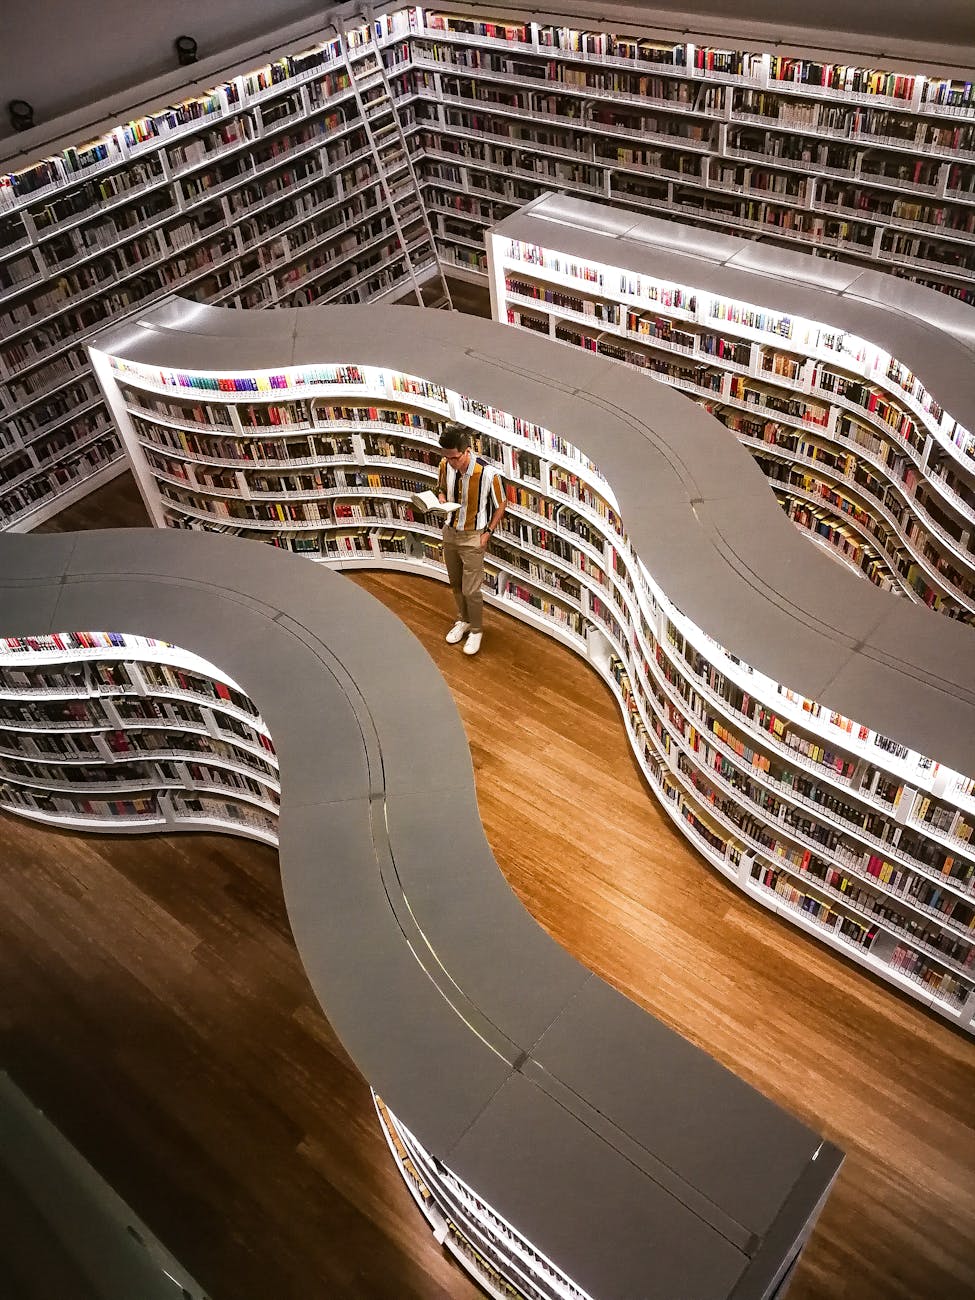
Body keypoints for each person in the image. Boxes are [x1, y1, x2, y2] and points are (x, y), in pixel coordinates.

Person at [436, 421, 506, 656]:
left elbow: (501, 504)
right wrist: (442, 498)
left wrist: (488, 533)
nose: (451, 462)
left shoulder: (488, 474)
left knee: (471, 589)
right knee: (455, 583)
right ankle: (463, 620)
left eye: (455, 458)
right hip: (450, 531)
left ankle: (476, 629)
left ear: (467, 450)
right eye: (447, 457)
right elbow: (440, 488)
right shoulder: (445, 465)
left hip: (473, 536)